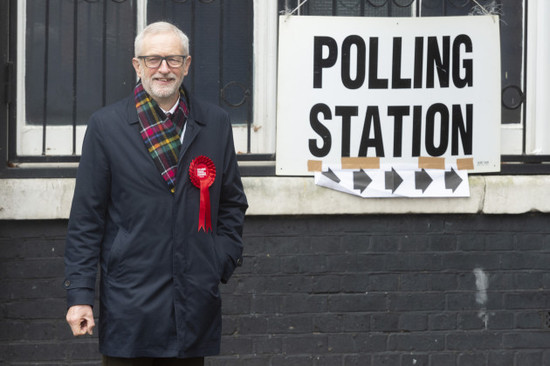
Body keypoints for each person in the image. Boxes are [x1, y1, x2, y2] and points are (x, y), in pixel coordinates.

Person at [64, 21, 248, 366]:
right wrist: (80, 295)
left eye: (173, 60)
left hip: (193, 303)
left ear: (187, 65)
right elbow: (86, 219)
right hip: (130, 303)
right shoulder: (106, 127)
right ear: (137, 66)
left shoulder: (216, 123)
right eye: (153, 60)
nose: (164, 69)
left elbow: (232, 202)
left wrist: (217, 259)